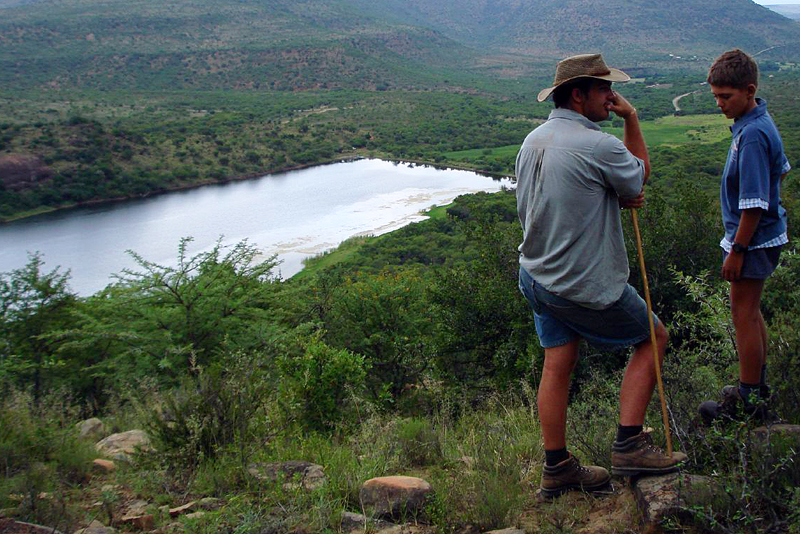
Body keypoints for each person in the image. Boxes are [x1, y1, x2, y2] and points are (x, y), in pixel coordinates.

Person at [515, 53, 687, 498]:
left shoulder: (532, 140)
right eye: (604, 90)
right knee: (653, 337)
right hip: (579, 282)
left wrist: (604, 197)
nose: (612, 97)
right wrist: (632, 119)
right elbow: (639, 178)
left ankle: (558, 470)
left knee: (557, 364)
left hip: (535, 274)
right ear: (579, 95)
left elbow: (554, 203)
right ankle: (630, 444)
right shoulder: (601, 145)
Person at [698, 49, 791, 424]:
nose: (720, 104)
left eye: (726, 96)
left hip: (752, 240)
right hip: (763, 237)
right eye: (716, 96)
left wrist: (737, 249)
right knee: (751, 314)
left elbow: (754, 204)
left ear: (749, 90)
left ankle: (748, 400)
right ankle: (757, 385)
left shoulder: (752, 134)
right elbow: (780, 173)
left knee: (743, 315)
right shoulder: (756, 121)